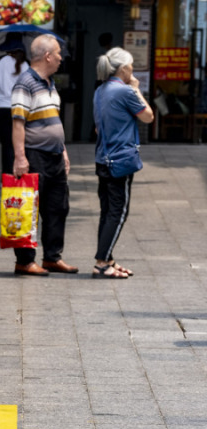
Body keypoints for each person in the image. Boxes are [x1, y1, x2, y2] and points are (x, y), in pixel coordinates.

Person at [11, 34, 77, 276]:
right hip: (34, 154)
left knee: (58, 206)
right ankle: (25, 261)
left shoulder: (50, 83)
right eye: (58, 53)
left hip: (55, 155)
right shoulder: (25, 83)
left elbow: (53, 119)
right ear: (48, 56)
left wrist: (64, 151)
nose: (61, 58)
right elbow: (18, 124)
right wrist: (20, 158)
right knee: (28, 209)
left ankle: (52, 257)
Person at [92, 47, 154, 279]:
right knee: (118, 212)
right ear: (124, 68)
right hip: (120, 158)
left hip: (103, 157)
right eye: (131, 67)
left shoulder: (100, 90)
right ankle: (101, 263)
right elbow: (148, 116)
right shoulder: (125, 91)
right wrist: (136, 90)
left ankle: (107, 258)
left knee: (107, 211)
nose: (133, 71)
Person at [0, 38, 29, 175]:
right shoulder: (25, 65)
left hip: (1, 108)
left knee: (6, 145)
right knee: (19, 145)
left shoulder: (0, 62)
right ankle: (18, 175)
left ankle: (6, 176)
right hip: (19, 108)